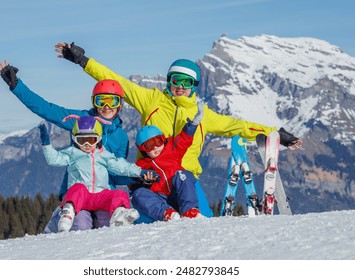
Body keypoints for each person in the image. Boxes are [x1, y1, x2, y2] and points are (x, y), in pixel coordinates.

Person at [54, 42, 303, 218]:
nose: (180, 87)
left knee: (200, 226)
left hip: (185, 181)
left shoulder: (202, 115)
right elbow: (117, 81)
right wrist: (83, 61)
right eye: (175, 81)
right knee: (138, 235)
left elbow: (237, 126)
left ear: (194, 85)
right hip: (149, 181)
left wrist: (277, 133)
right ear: (169, 81)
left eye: (186, 83)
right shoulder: (151, 99)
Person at [0, 60, 131, 231]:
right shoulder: (79, 121)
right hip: (78, 193)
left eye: (111, 101)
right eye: (100, 101)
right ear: (93, 102)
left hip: (104, 194)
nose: (106, 107)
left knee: (106, 229)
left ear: (119, 105)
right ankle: (58, 221)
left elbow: (116, 172)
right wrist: (17, 86)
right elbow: (47, 109)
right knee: (81, 226)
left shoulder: (121, 137)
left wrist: (138, 177)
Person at [38, 115, 158, 231]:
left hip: (100, 196)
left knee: (119, 194)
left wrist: (140, 172)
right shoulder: (72, 153)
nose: (87, 145)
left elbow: (121, 166)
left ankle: (120, 215)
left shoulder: (103, 154)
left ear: (99, 139)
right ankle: (65, 213)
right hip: (81, 198)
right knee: (77, 192)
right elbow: (54, 159)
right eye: (82, 140)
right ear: (75, 140)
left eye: (91, 140)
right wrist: (46, 145)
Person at [130, 101, 204, 221]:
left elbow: (184, 139)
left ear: (163, 140)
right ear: (143, 150)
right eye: (149, 146)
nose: (155, 147)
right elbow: (131, 184)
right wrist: (144, 182)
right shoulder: (141, 165)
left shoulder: (172, 149)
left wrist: (194, 123)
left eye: (158, 141)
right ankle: (167, 213)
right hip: (160, 199)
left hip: (178, 193)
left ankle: (189, 210)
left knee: (183, 175)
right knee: (138, 195)